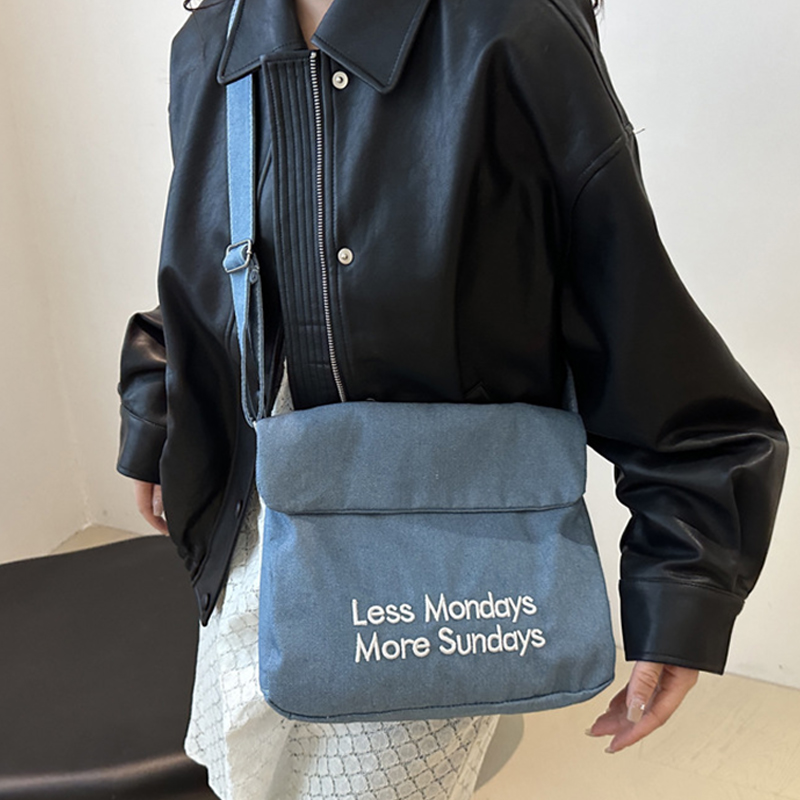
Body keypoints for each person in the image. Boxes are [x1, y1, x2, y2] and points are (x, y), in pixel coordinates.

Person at [117, 0, 789, 796]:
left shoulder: (513, 31)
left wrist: (684, 582)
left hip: (430, 565)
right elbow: (211, 265)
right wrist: (160, 411)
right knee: (242, 776)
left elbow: (633, 315)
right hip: (246, 550)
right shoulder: (211, 42)